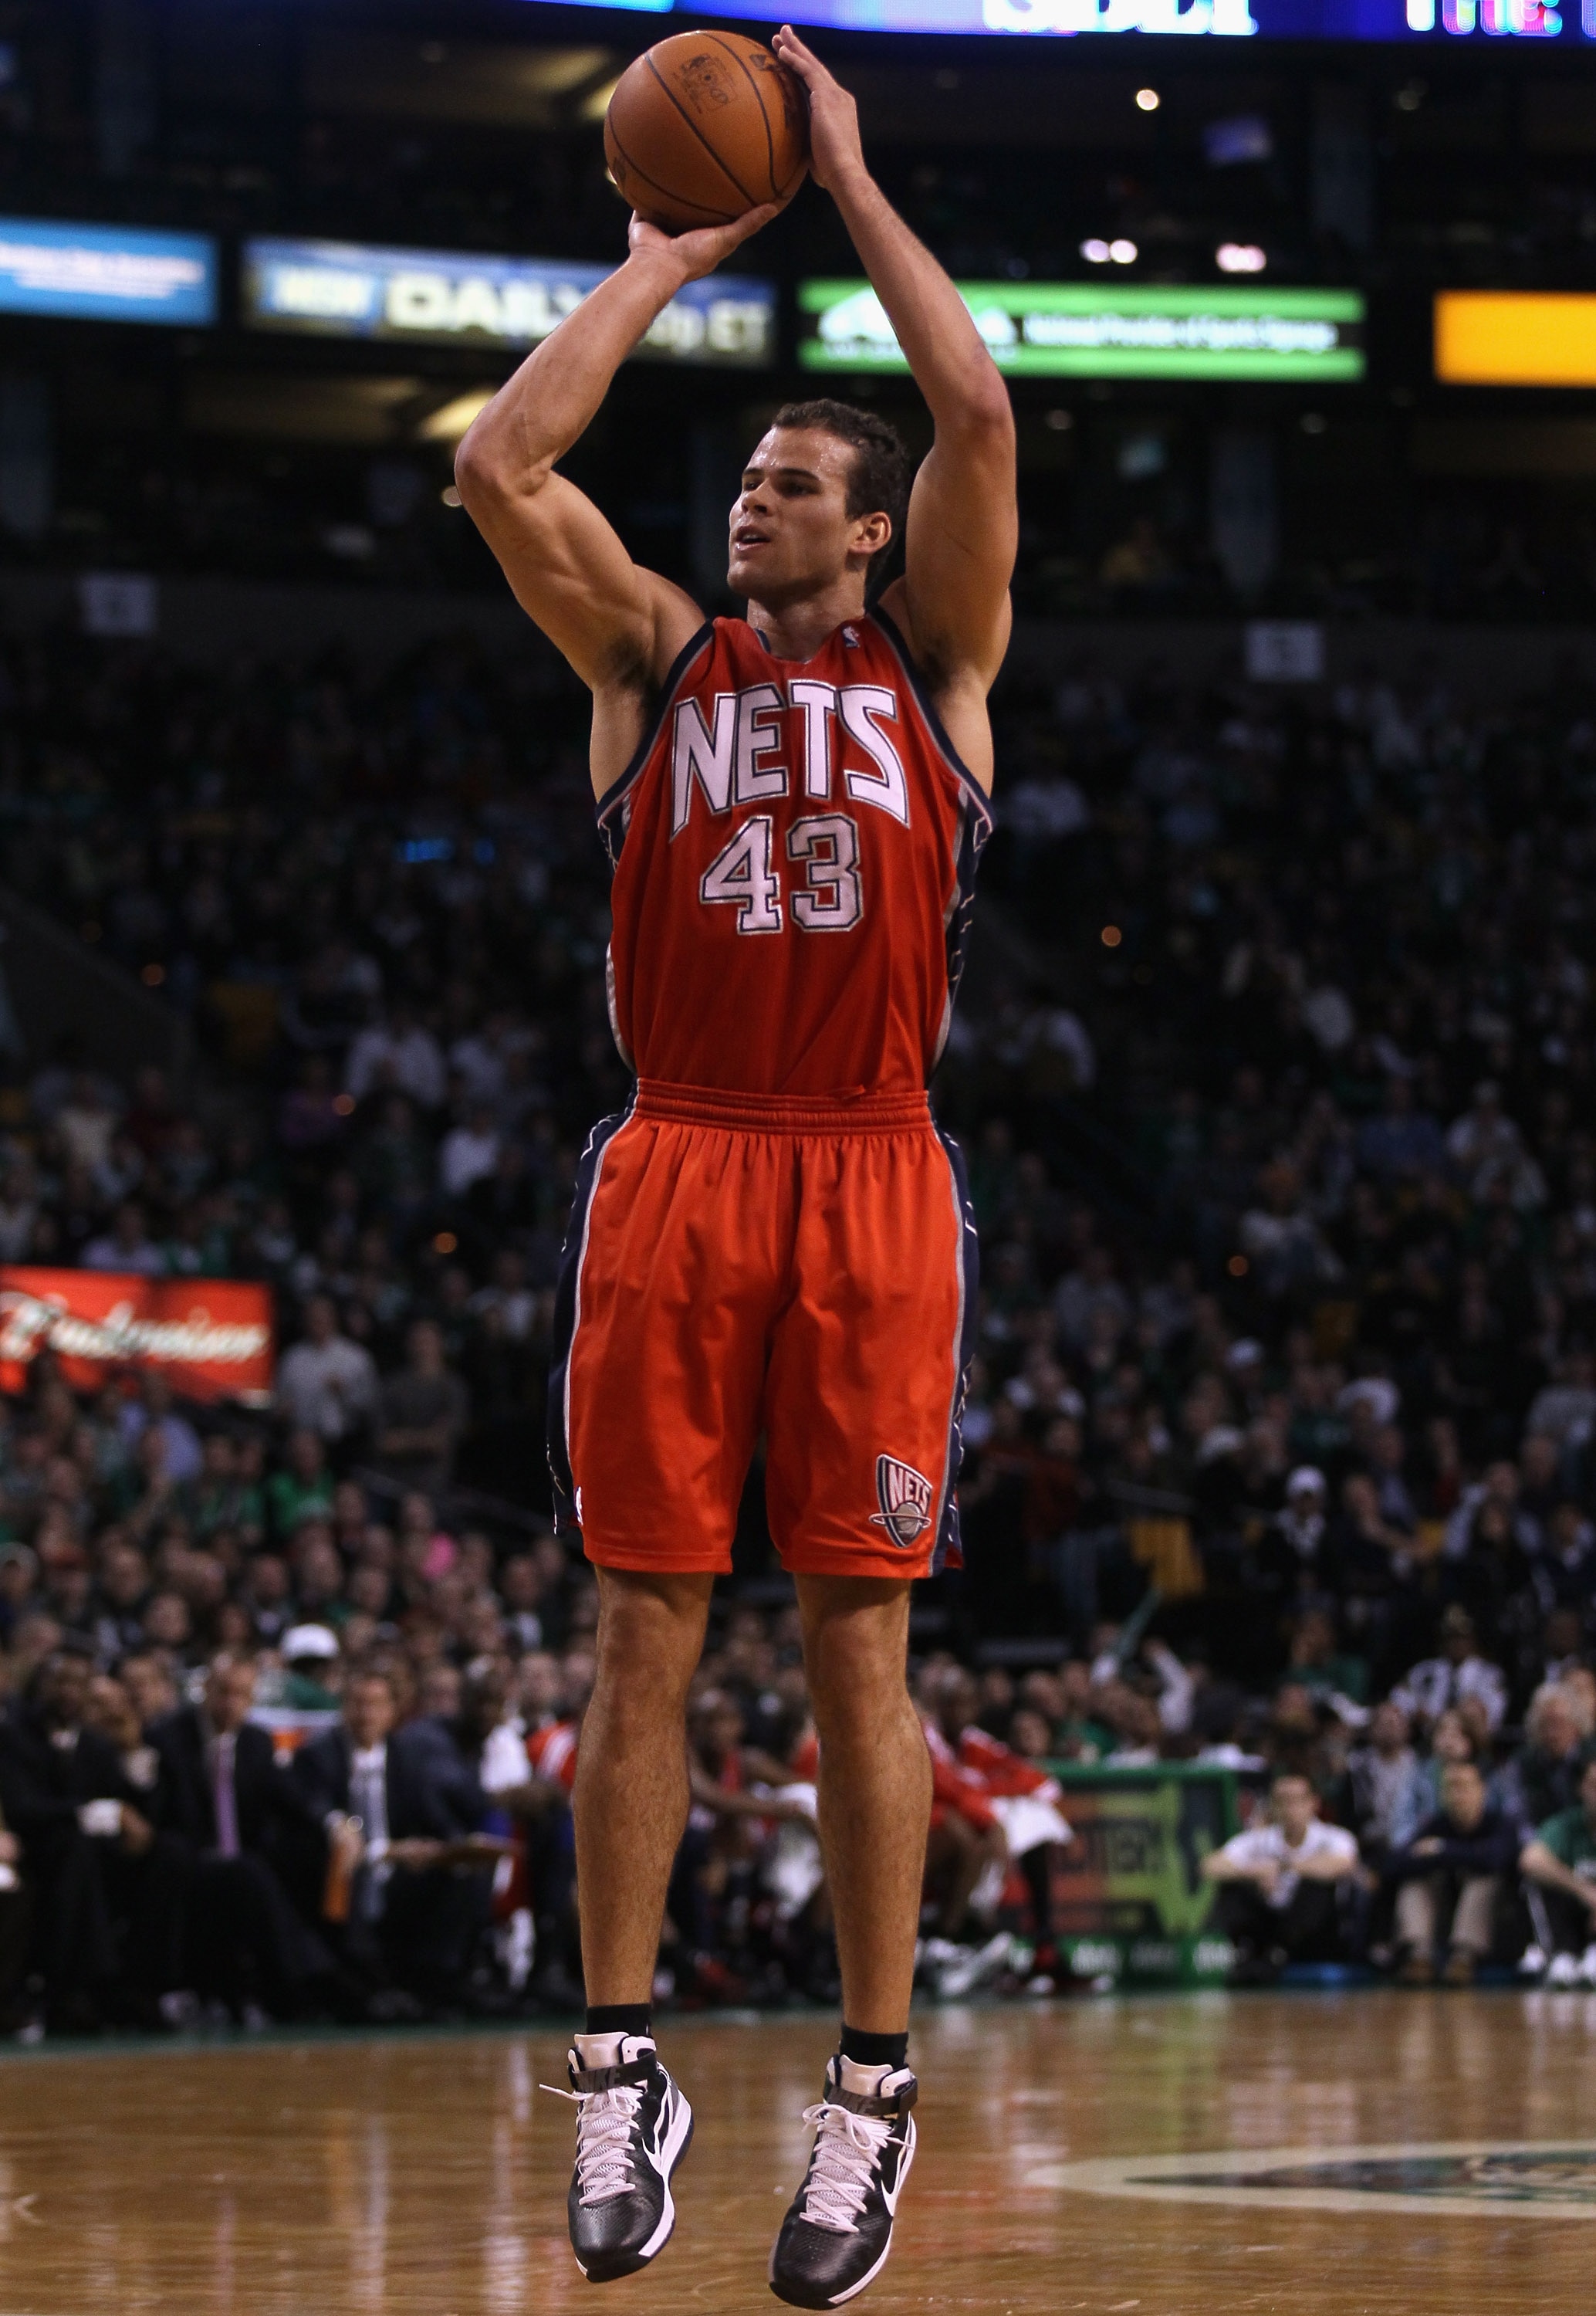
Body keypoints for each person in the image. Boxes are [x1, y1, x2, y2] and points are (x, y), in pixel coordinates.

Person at [455, 25, 1015, 2303]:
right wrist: (666, 251)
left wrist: (850, 184)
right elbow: (502, 460)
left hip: (867, 1175)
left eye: (790, 482)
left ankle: (865, 2096)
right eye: (748, 477)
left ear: (864, 534)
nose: (748, 502)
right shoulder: (643, 664)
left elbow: (971, 413)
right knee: (639, 1628)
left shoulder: (940, 670)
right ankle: (620, 2059)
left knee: (852, 1649)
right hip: (678, 1163)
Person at [1201, 1770, 1360, 1981]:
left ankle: (1280, 1954)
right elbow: (1210, 1866)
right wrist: (1255, 1872)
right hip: (1269, 1923)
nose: (1289, 1809)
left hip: (1317, 1933)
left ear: (1313, 1803)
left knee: (1317, 1887)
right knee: (1232, 1888)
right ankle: (1246, 1954)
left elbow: (1343, 1864)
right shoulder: (1260, 1839)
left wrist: (1283, 1867)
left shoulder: (1333, 1837)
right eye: (1281, 1801)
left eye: (1296, 1801)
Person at [1387, 1757, 1518, 1986]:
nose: (1458, 1794)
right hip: (1443, 1919)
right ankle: (1420, 1956)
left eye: (1464, 1786)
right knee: (1416, 1882)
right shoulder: (1436, 1825)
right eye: (1451, 1787)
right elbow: (1397, 1863)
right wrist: (1455, 1856)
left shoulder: (1500, 1824)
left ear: (1482, 1791)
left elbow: (1495, 1859)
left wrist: (1442, 1850)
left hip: (1494, 1925)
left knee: (1483, 1879)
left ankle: (1463, 1958)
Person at [1519, 1757, 1596, 1986]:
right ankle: (1562, 1956)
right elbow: (1530, 1860)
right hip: (1573, 1917)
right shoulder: (1567, 1824)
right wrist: (1586, 1892)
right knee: (1538, 1883)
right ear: (1581, 1788)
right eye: (1593, 1784)